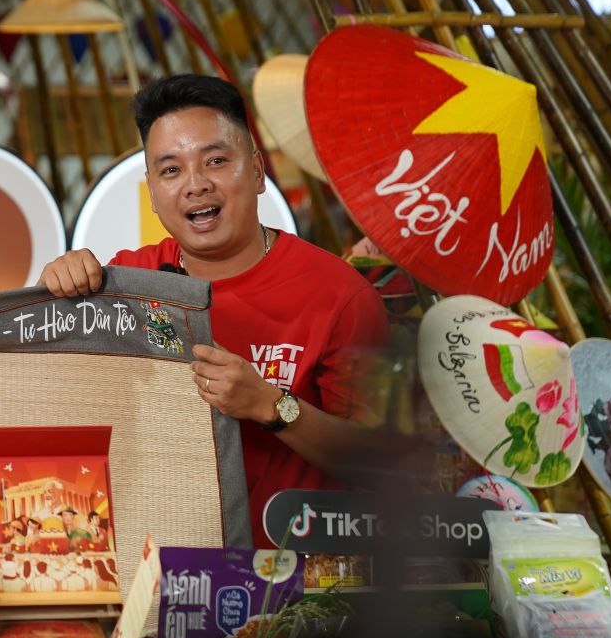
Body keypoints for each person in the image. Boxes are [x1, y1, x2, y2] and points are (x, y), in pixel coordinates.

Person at [39, 75, 388, 546]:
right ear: (152, 193)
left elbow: (378, 460)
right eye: (171, 170)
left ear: (258, 172)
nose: (196, 185)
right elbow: (59, 397)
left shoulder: (340, 295)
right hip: (161, 564)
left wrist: (270, 406)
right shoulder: (125, 284)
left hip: (293, 573)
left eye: (216, 161)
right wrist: (56, 289)